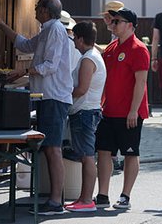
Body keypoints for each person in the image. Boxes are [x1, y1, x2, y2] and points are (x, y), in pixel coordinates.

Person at [0, 0, 73, 215]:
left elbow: (50, 66)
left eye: (37, 8)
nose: (35, 11)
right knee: (49, 148)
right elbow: (25, 45)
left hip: (54, 96)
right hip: (46, 96)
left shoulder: (55, 29)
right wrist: (0, 24)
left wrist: (22, 72)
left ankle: (55, 202)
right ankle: (54, 199)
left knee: (53, 149)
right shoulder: (47, 29)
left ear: (45, 10)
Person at [94, 8, 149, 211]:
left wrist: (134, 110)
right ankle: (102, 195)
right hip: (108, 111)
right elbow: (105, 79)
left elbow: (140, 82)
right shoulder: (111, 47)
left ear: (130, 25)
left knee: (130, 153)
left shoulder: (139, 48)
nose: (113, 24)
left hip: (129, 113)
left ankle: (125, 196)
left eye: (117, 21)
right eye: (113, 21)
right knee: (103, 152)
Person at [64, 22, 106, 213]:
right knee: (86, 156)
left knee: (87, 156)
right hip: (89, 111)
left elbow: (81, 89)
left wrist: (62, 92)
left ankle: (87, 199)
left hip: (85, 112)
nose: (73, 41)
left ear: (80, 39)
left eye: (74, 37)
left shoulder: (88, 59)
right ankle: (83, 198)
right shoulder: (93, 56)